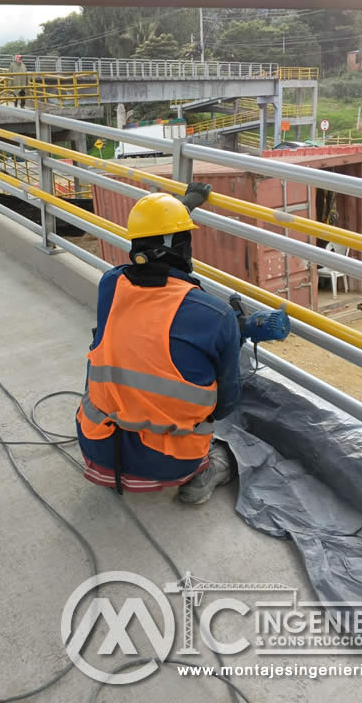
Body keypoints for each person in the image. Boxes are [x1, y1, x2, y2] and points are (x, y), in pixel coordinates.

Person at [76, 186, 241, 504]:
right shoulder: (217, 315)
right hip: (169, 463)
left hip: (99, 447)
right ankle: (201, 475)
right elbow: (226, 405)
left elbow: (158, 305)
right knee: (225, 439)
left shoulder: (110, 285)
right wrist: (235, 332)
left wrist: (178, 209)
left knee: (101, 345)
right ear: (184, 246)